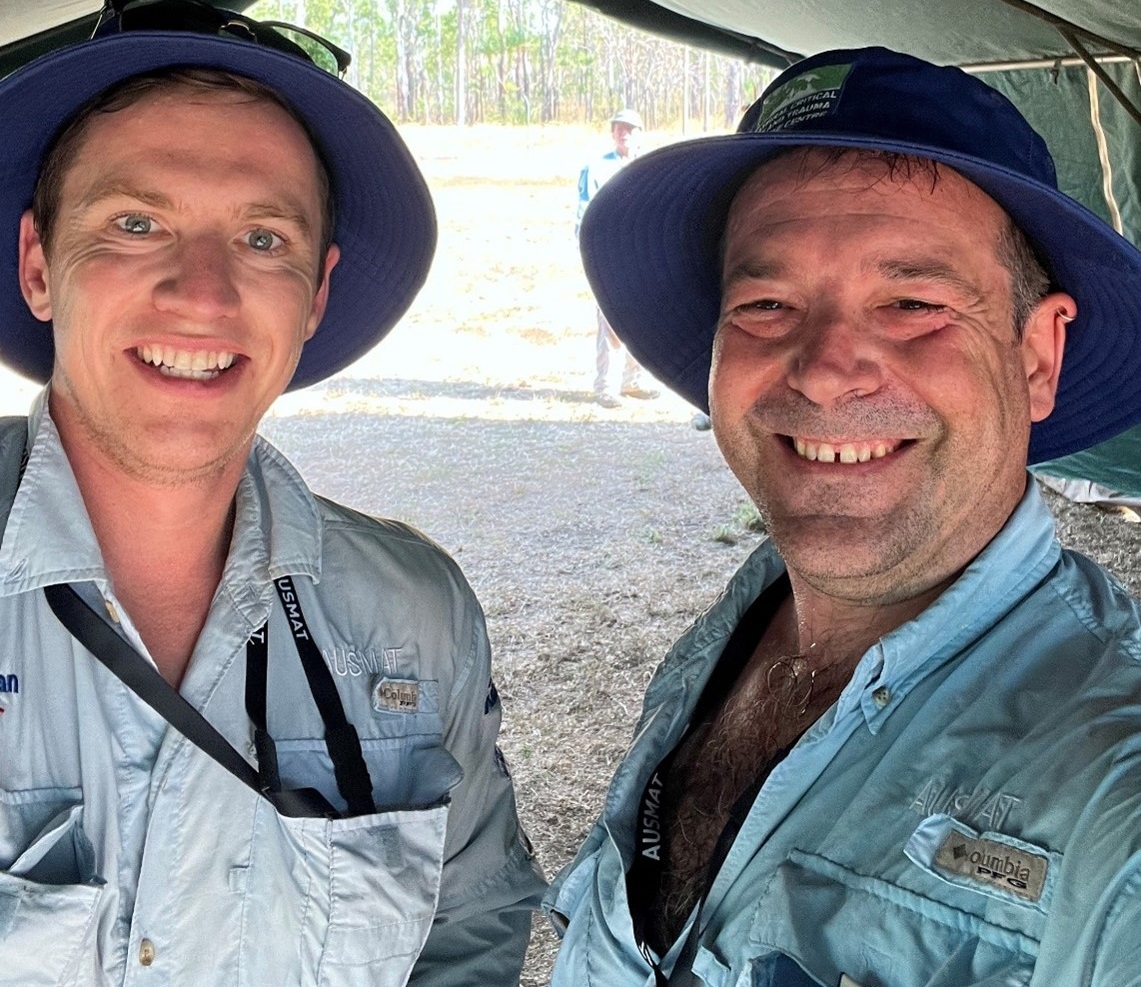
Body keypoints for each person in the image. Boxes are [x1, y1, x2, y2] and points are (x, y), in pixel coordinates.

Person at [547, 46, 1141, 987]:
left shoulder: (1112, 778)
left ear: (1035, 355)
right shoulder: (742, 624)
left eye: (911, 302)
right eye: (766, 301)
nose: (825, 367)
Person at [0, 4, 544, 985]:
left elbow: (471, 930)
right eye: (136, 223)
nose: (203, 293)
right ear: (40, 265)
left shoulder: (413, 618)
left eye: (261, 239)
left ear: (316, 295)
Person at [576, 108, 660, 408]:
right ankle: (606, 387)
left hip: (644, 257)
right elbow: (584, 215)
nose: (623, 133)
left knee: (641, 321)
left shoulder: (651, 168)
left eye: (630, 129)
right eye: (619, 128)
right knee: (611, 322)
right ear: (612, 133)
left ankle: (633, 381)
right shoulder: (596, 168)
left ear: (640, 133)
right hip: (609, 256)